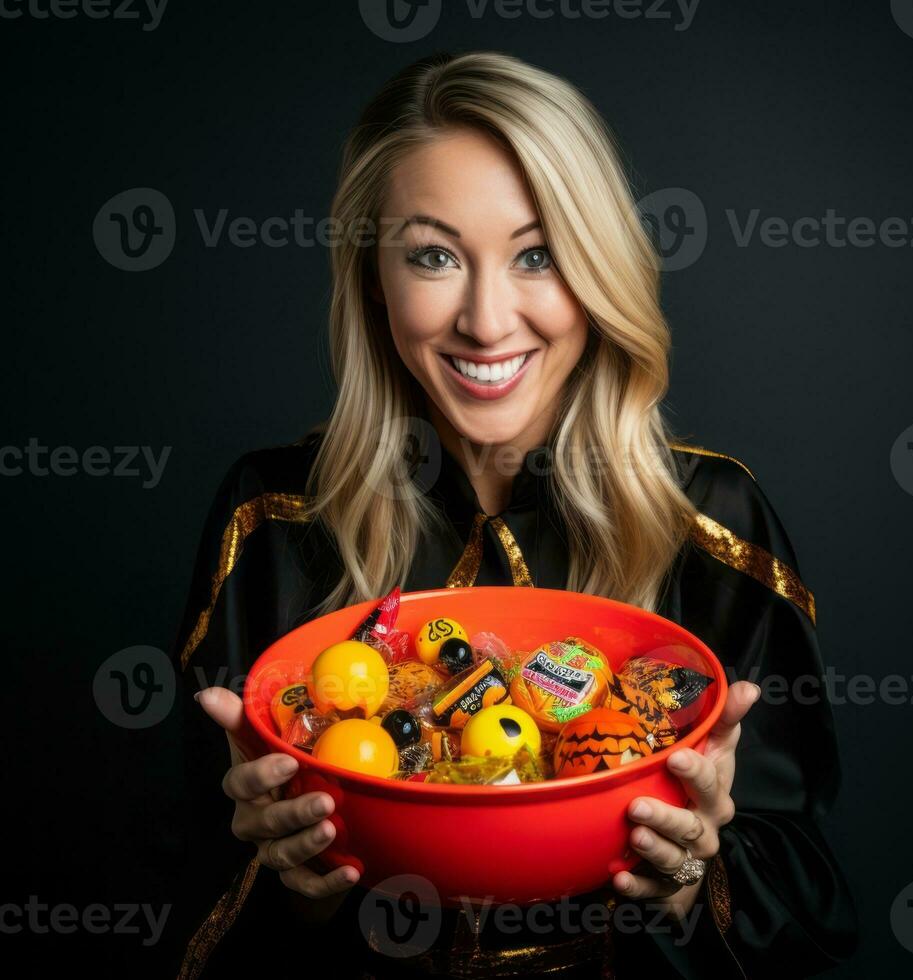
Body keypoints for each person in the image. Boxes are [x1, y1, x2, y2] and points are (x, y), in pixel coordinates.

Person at [168, 51, 857, 979]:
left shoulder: (716, 525)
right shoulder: (275, 520)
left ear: (599, 269)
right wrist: (291, 885)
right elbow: (170, 885)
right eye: (434, 256)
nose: (488, 322)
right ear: (373, 274)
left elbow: (817, 907)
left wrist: (697, 878)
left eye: (537, 254)